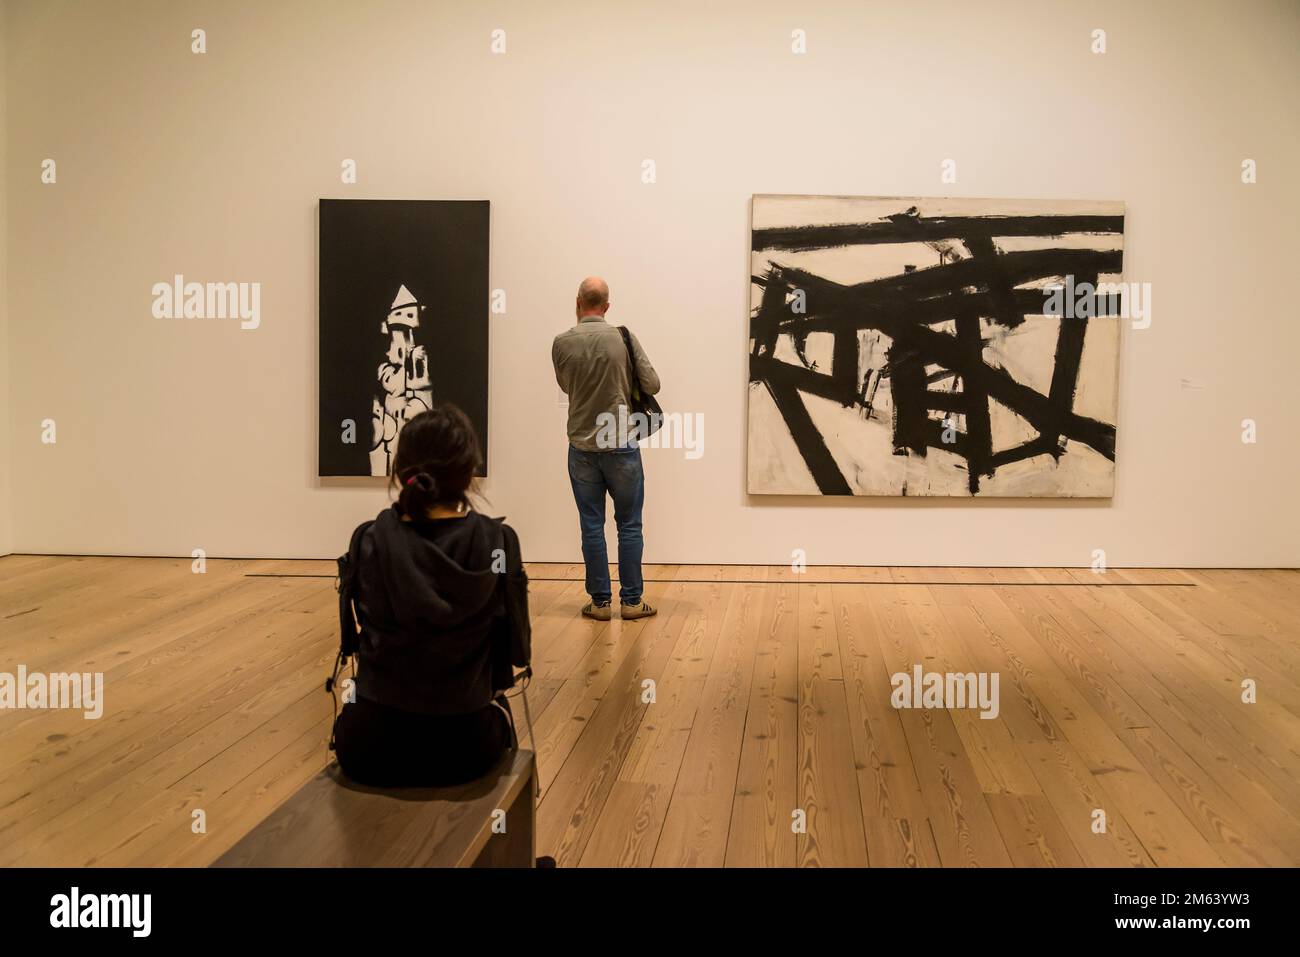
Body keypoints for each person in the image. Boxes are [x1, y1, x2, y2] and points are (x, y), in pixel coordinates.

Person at [333, 403, 531, 788]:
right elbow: (518, 650)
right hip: (466, 746)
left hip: (368, 746)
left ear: (400, 469)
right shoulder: (497, 543)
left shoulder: (369, 539)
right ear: (470, 470)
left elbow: (352, 645)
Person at [551, 276, 659, 621]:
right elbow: (653, 383)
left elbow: (566, 387)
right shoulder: (622, 338)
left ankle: (599, 604)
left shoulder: (561, 343)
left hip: (581, 445)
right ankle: (631, 602)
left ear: (578, 303)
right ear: (607, 306)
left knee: (591, 525)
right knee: (629, 524)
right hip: (621, 442)